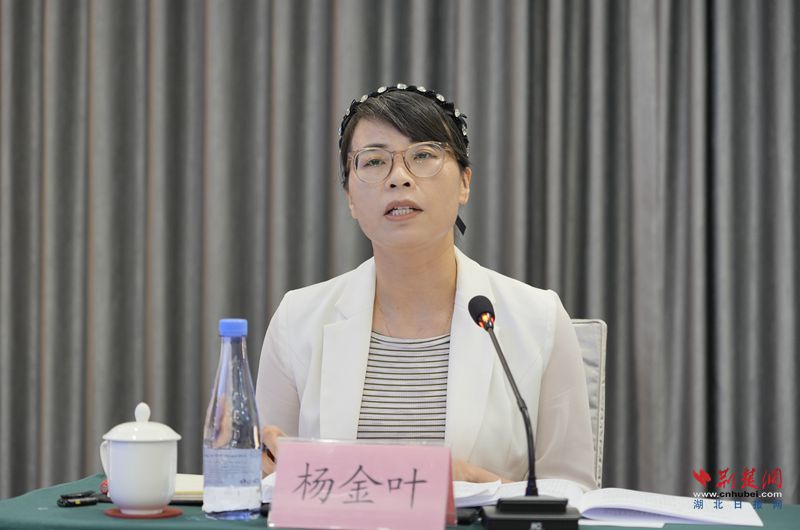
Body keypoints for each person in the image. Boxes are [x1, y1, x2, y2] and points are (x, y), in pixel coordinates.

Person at [255, 84, 597, 490]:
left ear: (465, 182)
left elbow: (572, 494)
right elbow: (266, 480)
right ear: (350, 196)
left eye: (423, 156)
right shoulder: (297, 321)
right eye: (374, 161)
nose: (399, 178)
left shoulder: (539, 319)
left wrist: (471, 482)